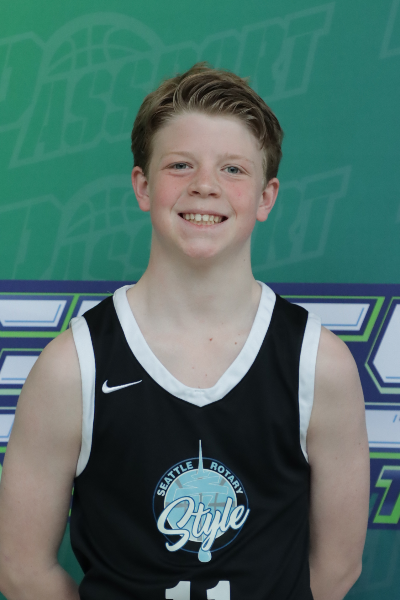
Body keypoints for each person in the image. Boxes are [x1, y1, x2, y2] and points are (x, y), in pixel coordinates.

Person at [0, 63, 369, 600]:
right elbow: (21, 569)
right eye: (180, 165)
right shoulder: (72, 366)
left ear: (266, 197)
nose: (204, 186)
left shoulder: (319, 364)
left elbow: (336, 569)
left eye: (233, 169)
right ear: (143, 186)